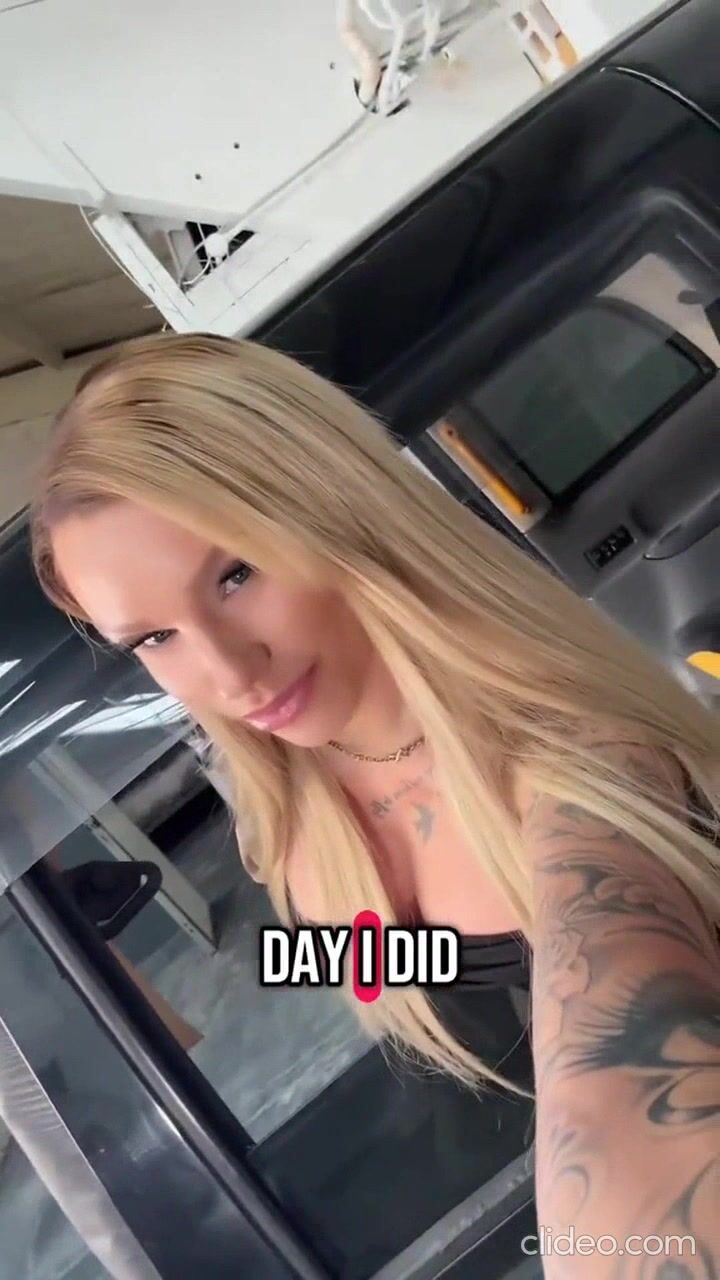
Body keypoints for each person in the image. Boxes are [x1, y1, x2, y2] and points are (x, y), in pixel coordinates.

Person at [30, 333, 719, 1276]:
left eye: (236, 574)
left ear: (337, 509)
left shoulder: (573, 760)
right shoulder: (284, 820)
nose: (227, 672)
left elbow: (624, 1049)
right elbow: (378, 969)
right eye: (155, 637)